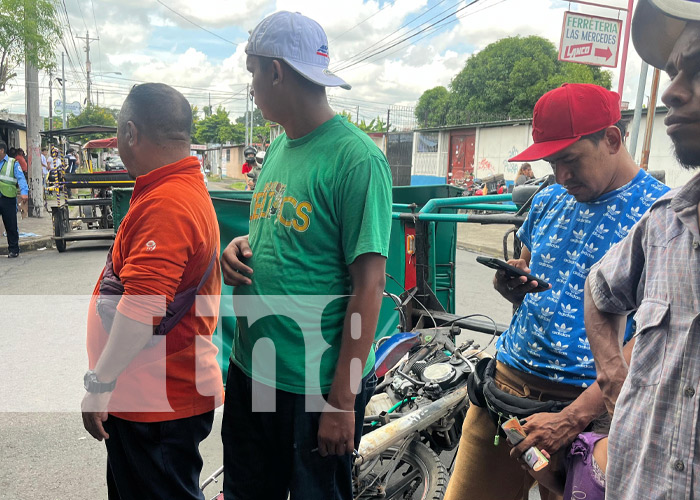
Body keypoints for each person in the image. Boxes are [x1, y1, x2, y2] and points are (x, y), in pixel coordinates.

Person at [444, 83, 669, 500]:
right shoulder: (549, 199)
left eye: (570, 159)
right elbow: (530, 276)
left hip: (590, 413)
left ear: (612, 139)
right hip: (506, 392)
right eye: (552, 162)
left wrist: (571, 417)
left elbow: (657, 335)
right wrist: (512, 286)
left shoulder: (663, 216)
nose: (561, 175)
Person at [220, 11, 392, 500]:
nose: (251, 85)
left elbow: (370, 287)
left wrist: (342, 400)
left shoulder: (357, 160)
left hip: (314, 388)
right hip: (253, 369)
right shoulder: (278, 149)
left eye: (253, 71)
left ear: (275, 71)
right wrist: (240, 247)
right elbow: (282, 238)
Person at [80, 83, 223, 500]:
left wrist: (99, 384)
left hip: (156, 402)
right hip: (152, 396)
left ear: (130, 133)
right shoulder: (174, 190)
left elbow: (141, 310)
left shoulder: (168, 203)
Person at [585, 1, 700, 498]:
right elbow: (600, 288)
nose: (672, 92)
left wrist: (577, 412)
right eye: (675, 72)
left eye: (697, 71)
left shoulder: (649, 205)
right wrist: (613, 375)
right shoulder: (666, 225)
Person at [0, 140, 28, 258]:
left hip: (7, 198)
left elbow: (21, 178)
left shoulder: (13, 163)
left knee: (10, 224)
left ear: (1, 151)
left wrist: (24, 192)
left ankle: (14, 249)